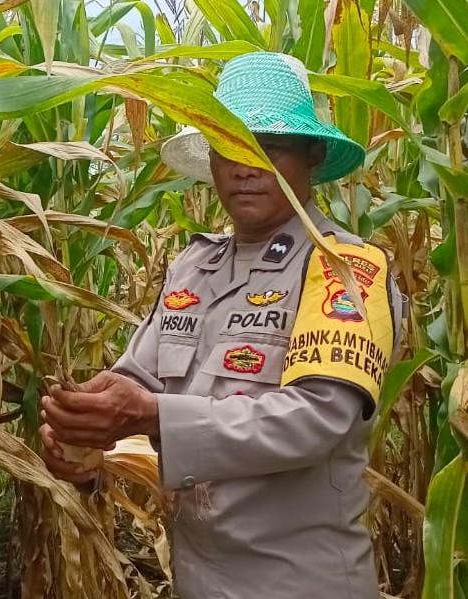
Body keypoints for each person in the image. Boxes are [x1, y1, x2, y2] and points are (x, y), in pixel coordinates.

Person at [39, 52, 403, 599]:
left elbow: (315, 419)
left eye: (267, 146)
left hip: (298, 582)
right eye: (228, 146)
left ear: (312, 156)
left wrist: (148, 414)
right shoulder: (193, 267)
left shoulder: (343, 270)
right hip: (195, 578)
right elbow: (137, 386)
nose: (243, 166)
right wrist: (88, 436)